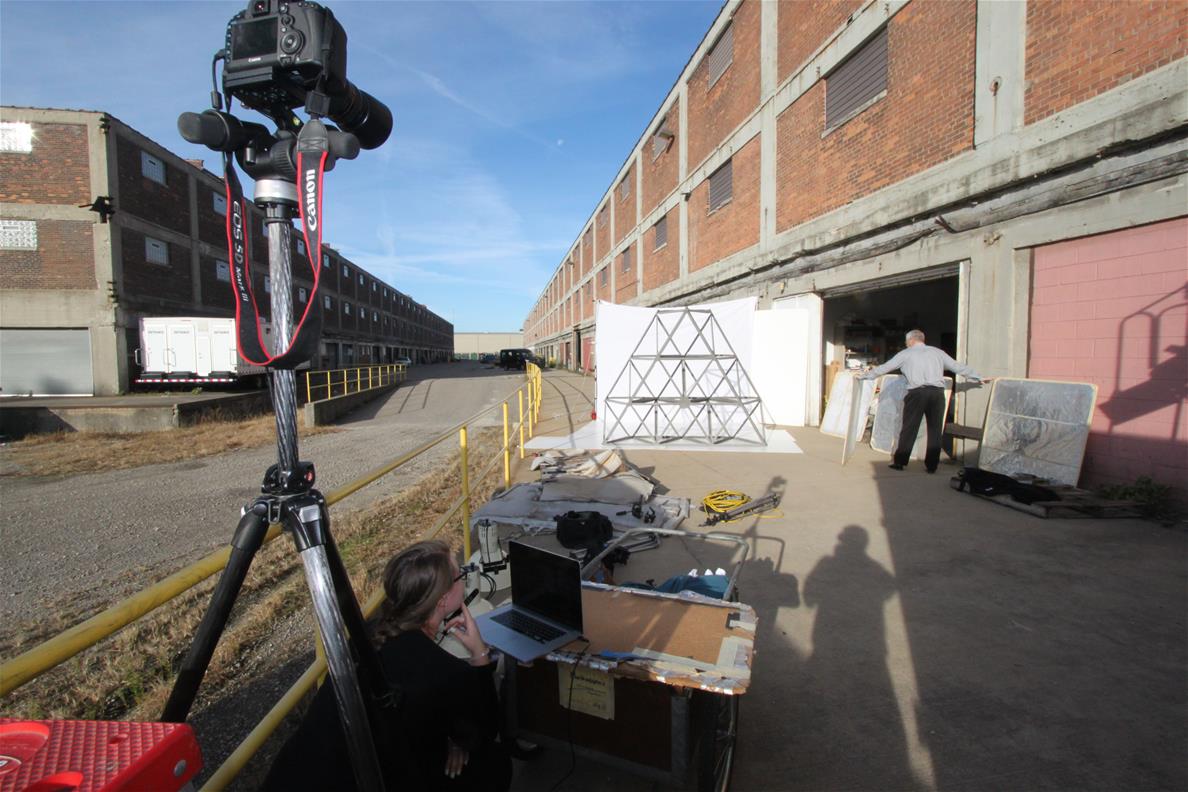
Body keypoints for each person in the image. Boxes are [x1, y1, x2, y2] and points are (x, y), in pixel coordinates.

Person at [263, 540, 511, 791]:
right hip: (367, 778)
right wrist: (479, 655)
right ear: (443, 599)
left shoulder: (363, 637)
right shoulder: (445, 671)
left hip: (296, 774)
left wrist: (451, 734)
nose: (464, 578)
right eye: (461, 575)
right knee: (496, 765)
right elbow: (485, 732)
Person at [859, 329, 986, 473]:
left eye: (907, 341)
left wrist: (865, 376)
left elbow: (886, 367)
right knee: (935, 429)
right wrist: (977, 377)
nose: (906, 344)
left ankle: (900, 462)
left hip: (917, 393)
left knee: (909, 427)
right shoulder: (938, 352)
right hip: (937, 394)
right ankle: (932, 466)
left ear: (911, 340)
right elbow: (957, 366)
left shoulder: (906, 353)